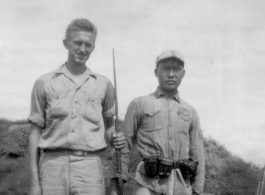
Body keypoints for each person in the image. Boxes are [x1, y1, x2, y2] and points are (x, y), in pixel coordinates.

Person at [28, 18, 125, 195]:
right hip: (52, 167)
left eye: (88, 45)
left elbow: (110, 126)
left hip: (90, 168)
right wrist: (34, 183)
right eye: (77, 43)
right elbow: (35, 133)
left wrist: (115, 138)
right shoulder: (44, 83)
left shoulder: (104, 84)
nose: (82, 49)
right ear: (66, 43)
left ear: (93, 48)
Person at [110, 49, 205, 195]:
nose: (171, 74)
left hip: (182, 187)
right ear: (156, 72)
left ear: (183, 74)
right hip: (147, 185)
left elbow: (197, 154)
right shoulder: (139, 104)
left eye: (177, 69)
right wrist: (116, 186)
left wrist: (198, 190)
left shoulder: (191, 112)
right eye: (166, 68)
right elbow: (123, 146)